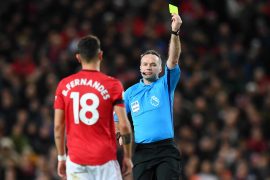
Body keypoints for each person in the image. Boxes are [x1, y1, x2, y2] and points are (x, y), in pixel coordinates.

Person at [54, 35, 133, 180]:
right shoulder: (113, 85)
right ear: (100, 55)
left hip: (76, 160)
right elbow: (124, 125)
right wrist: (127, 156)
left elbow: (59, 126)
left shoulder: (64, 86)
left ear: (78, 57)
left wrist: (61, 157)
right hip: (105, 160)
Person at [115, 14, 183, 180]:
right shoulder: (130, 93)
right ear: (140, 67)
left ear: (160, 69)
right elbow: (116, 116)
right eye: (145, 64)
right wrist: (118, 134)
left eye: (153, 64)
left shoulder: (165, 84)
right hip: (142, 152)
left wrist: (175, 33)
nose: (149, 67)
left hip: (166, 150)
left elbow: (173, 59)